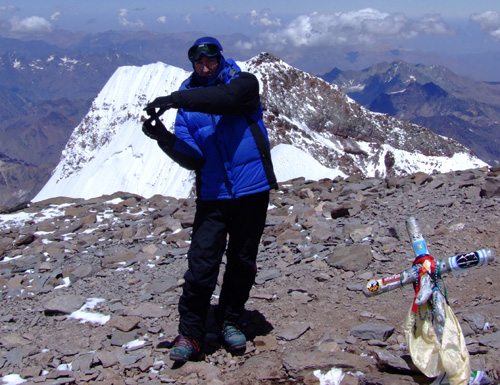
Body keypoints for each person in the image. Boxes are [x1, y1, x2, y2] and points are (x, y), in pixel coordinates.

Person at [141, 36, 277, 362]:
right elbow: (194, 159)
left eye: (210, 60)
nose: (205, 66)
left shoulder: (244, 84)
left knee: (242, 261)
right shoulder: (189, 108)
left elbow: (225, 100)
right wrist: (163, 138)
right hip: (214, 195)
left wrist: (177, 98)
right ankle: (191, 333)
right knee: (202, 265)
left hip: (252, 190)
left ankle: (230, 320)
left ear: (220, 59)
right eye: (199, 62)